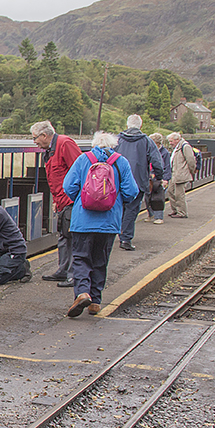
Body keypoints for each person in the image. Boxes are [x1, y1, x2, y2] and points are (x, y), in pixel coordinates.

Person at [63, 132, 139, 317]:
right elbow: (131, 191)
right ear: (113, 146)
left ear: (94, 144)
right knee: (100, 260)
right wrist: (116, 202)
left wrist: (82, 200)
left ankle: (82, 292)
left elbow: (68, 186)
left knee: (81, 258)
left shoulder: (83, 159)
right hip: (109, 222)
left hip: (83, 221)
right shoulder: (120, 162)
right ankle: (95, 302)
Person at [31, 120, 79, 288]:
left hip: (71, 201)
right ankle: (63, 270)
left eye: (35, 138)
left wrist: (73, 198)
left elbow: (78, 169)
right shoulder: (50, 150)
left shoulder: (65, 144)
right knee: (64, 237)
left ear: (44, 135)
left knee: (72, 237)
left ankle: (74, 275)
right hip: (61, 201)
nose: (35, 142)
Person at [114, 115, 163, 251]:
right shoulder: (147, 141)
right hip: (138, 181)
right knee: (131, 210)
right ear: (140, 126)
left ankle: (116, 234)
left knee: (118, 208)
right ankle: (125, 239)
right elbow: (157, 162)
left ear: (127, 125)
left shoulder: (117, 140)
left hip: (118, 182)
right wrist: (158, 177)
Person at [166, 132, 195, 218]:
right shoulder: (177, 147)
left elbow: (191, 160)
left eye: (171, 141)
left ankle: (182, 212)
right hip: (174, 174)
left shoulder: (185, 146)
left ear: (177, 140)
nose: (170, 143)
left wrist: (191, 171)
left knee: (179, 194)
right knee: (170, 191)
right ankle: (175, 210)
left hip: (181, 174)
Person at [147, 133, 171, 224]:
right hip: (150, 177)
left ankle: (159, 217)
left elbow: (167, 167)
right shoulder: (149, 151)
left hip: (159, 177)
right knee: (147, 197)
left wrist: (165, 179)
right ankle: (150, 214)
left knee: (158, 198)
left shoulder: (165, 153)